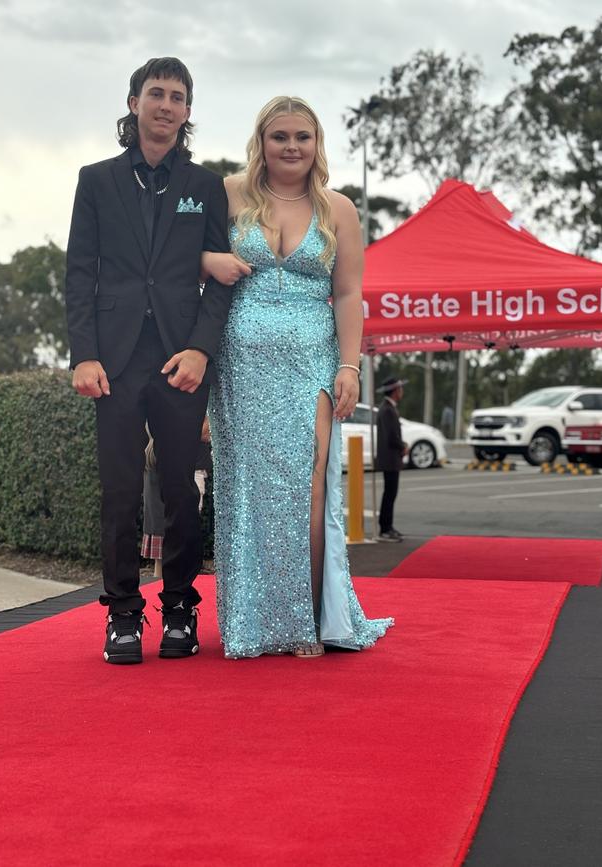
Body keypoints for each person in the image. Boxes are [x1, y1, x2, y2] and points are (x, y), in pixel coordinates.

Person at [201, 96, 394, 658]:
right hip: (240, 363)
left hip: (313, 360)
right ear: (261, 141)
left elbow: (350, 292)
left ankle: (308, 619)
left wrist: (350, 365)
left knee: (310, 488)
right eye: (280, 136)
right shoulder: (230, 194)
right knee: (248, 490)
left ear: (317, 144)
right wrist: (205, 263)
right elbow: (183, 259)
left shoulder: (339, 208)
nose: (291, 147)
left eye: (302, 137)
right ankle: (256, 622)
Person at [65, 57, 232, 664]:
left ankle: (182, 607)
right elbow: (80, 273)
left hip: (180, 359)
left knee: (182, 490)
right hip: (113, 363)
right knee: (118, 492)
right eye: (155, 93)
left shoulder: (206, 186)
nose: (166, 105)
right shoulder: (97, 180)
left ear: (188, 112)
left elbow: (221, 282)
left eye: (178, 97)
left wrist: (201, 350)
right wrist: (84, 354)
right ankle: (122, 615)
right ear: (134, 101)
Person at [141, 417, 212, 580]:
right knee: (181, 531)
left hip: (168, 465)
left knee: (171, 535)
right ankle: (175, 587)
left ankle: (167, 587)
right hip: (185, 469)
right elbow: (203, 432)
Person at [376, 377, 408, 542]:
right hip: (390, 459)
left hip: (390, 458)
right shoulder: (388, 410)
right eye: (400, 389)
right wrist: (402, 446)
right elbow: (391, 437)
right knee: (389, 494)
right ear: (395, 391)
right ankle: (385, 528)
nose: (402, 392)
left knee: (390, 493)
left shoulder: (387, 408)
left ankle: (388, 527)